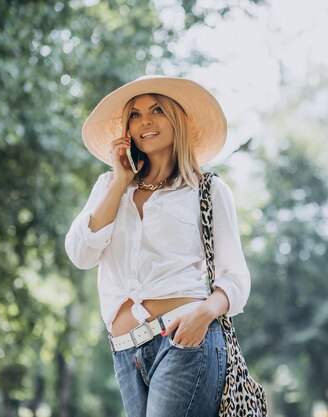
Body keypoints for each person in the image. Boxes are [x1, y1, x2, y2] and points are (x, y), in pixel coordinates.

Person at [64, 75, 250, 417]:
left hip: (185, 340)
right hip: (125, 354)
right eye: (134, 115)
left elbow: (236, 278)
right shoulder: (109, 186)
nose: (145, 121)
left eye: (157, 110)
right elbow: (81, 254)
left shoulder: (206, 190)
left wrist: (204, 314)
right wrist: (120, 181)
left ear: (177, 120)